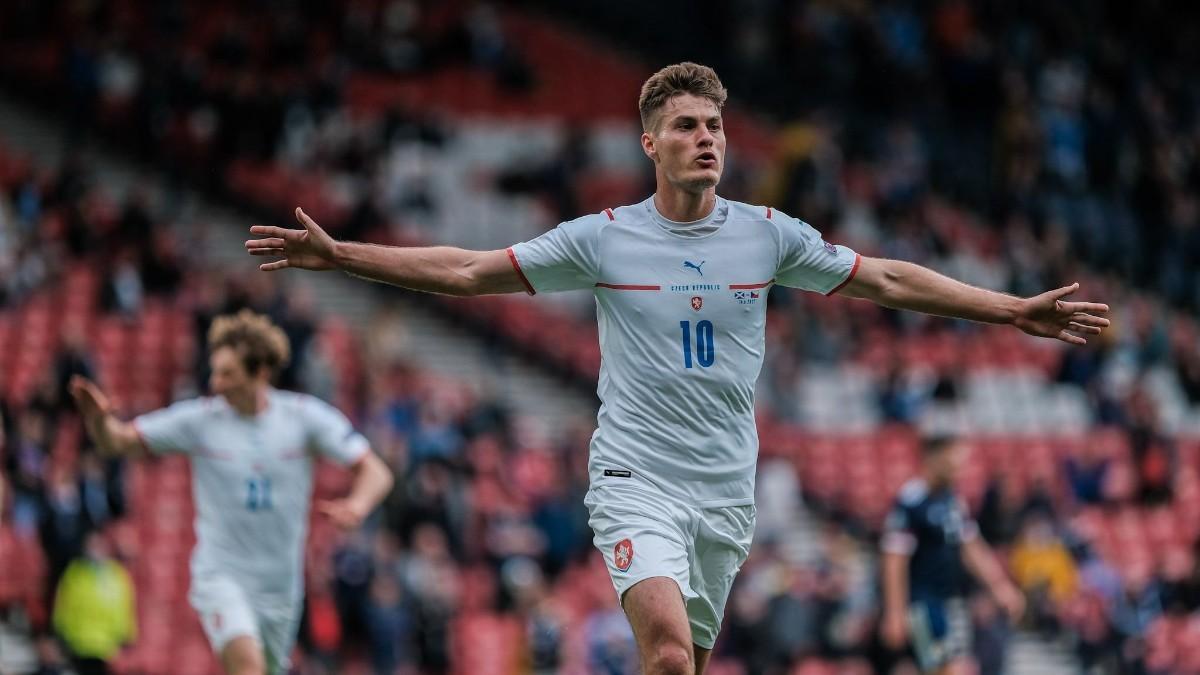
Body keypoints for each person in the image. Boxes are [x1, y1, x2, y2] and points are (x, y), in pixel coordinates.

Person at [244, 62, 1109, 675]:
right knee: (661, 649)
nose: (708, 139)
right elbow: (468, 270)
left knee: (685, 663)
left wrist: (1010, 309)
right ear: (651, 142)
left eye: (716, 126)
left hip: (726, 486)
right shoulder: (605, 236)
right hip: (636, 475)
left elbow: (882, 277)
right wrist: (343, 255)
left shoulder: (767, 233)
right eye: (688, 126)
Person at [69, 310, 395, 675]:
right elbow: (119, 442)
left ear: (260, 373)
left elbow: (376, 471)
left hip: (281, 589)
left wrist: (358, 504)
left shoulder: (304, 418)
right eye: (216, 370)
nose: (216, 382)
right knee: (247, 665)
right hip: (221, 575)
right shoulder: (200, 421)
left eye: (228, 374)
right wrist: (99, 422)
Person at [880, 436, 1026, 674]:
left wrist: (1001, 587)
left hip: (947, 603)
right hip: (921, 607)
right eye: (953, 459)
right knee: (945, 668)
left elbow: (971, 546)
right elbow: (894, 560)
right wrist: (894, 611)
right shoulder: (911, 502)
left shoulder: (951, 500)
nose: (959, 467)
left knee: (943, 667)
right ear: (933, 458)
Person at [52, 528, 136, 675]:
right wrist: (62, 634)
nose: (95, 549)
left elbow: (125, 608)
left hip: (107, 647)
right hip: (79, 644)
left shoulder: (117, 574)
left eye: (99, 545)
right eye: (91, 545)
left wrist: (126, 636)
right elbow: (63, 606)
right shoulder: (74, 573)